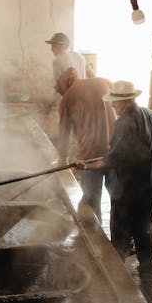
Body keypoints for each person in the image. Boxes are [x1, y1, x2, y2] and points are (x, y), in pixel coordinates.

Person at [75, 80, 152, 275]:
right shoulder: (150, 114)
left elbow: (112, 160)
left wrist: (85, 165)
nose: (112, 105)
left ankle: (116, 278)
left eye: (115, 102)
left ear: (126, 100)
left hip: (127, 191)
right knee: (144, 232)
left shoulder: (125, 122)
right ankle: (149, 273)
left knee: (119, 237)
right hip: (150, 188)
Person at [56, 67, 117, 223]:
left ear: (65, 84)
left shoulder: (67, 98)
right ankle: (121, 242)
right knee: (118, 197)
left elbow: (64, 134)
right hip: (115, 151)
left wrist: (62, 159)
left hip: (90, 156)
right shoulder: (105, 81)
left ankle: (93, 233)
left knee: (91, 198)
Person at [44, 32, 95, 146]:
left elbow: (59, 86)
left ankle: (65, 158)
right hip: (84, 98)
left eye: (54, 45)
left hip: (70, 99)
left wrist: (51, 104)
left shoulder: (58, 61)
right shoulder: (80, 57)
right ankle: (80, 154)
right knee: (81, 131)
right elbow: (92, 74)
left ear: (62, 45)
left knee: (66, 131)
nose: (51, 49)